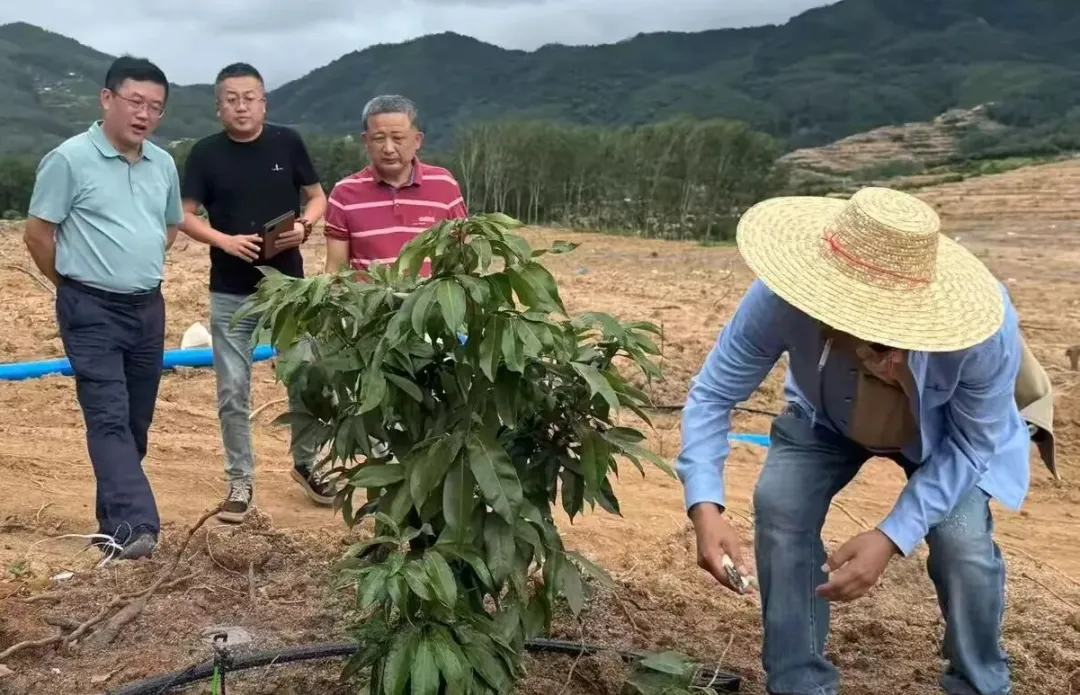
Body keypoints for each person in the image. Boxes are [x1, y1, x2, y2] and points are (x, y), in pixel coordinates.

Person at [675, 187, 1055, 695]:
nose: (886, 357)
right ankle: (798, 683)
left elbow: (970, 445)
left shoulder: (983, 332)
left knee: (961, 543)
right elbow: (713, 394)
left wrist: (891, 536)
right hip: (825, 418)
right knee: (782, 507)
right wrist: (704, 506)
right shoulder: (781, 299)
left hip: (943, 435)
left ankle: (979, 682)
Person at [23, 56, 184, 560]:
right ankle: (138, 526)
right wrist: (70, 284)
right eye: (135, 102)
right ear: (107, 98)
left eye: (155, 107)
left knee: (135, 423)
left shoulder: (163, 164)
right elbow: (38, 234)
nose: (144, 114)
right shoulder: (69, 159)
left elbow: (170, 225)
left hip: (148, 307)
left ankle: (112, 530)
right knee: (108, 416)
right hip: (90, 308)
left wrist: (138, 261)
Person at [178, 63, 328, 523]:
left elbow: (317, 197)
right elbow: (184, 214)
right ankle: (239, 480)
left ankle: (307, 464)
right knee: (233, 390)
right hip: (231, 291)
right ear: (218, 106)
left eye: (249, 98)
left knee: (305, 377)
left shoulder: (287, 142)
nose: (241, 106)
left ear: (264, 102)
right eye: (231, 99)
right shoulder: (205, 154)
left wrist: (304, 226)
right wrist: (224, 241)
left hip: (288, 290)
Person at [323, 94, 467, 276]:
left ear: (417, 140)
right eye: (379, 139)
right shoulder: (344, 194)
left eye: (398, 138)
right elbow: (335, 271)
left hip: (431, 295)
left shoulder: (444, 184)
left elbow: (461, 256)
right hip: (369, 295)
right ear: (366, 141)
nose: (388, 149)